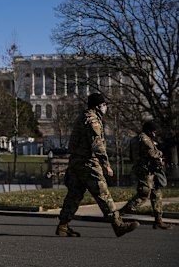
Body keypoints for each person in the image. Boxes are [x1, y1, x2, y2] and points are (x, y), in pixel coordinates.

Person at [56, 93, 139, 237]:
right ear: (97, 106)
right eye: (104, 105)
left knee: (74, 195)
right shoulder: (93, 120)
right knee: (103, 194)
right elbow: (97, 145)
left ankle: (63, 225)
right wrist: (106, 164)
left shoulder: (82, 117)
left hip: (76, 162)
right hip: (89, 164)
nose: (105, 107)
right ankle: (118, 225)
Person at [119, 121, 173, 229]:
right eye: (153, 131)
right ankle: (118, 215)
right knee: (143, 195)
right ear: (148, 130)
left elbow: (130, 156)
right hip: (145, 172)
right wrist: (161, 153)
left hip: (146, 170)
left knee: (156, 194)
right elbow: (152, 154)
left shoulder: (135, 139)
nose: (154, 134)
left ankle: (158, 220)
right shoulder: (144, 139)